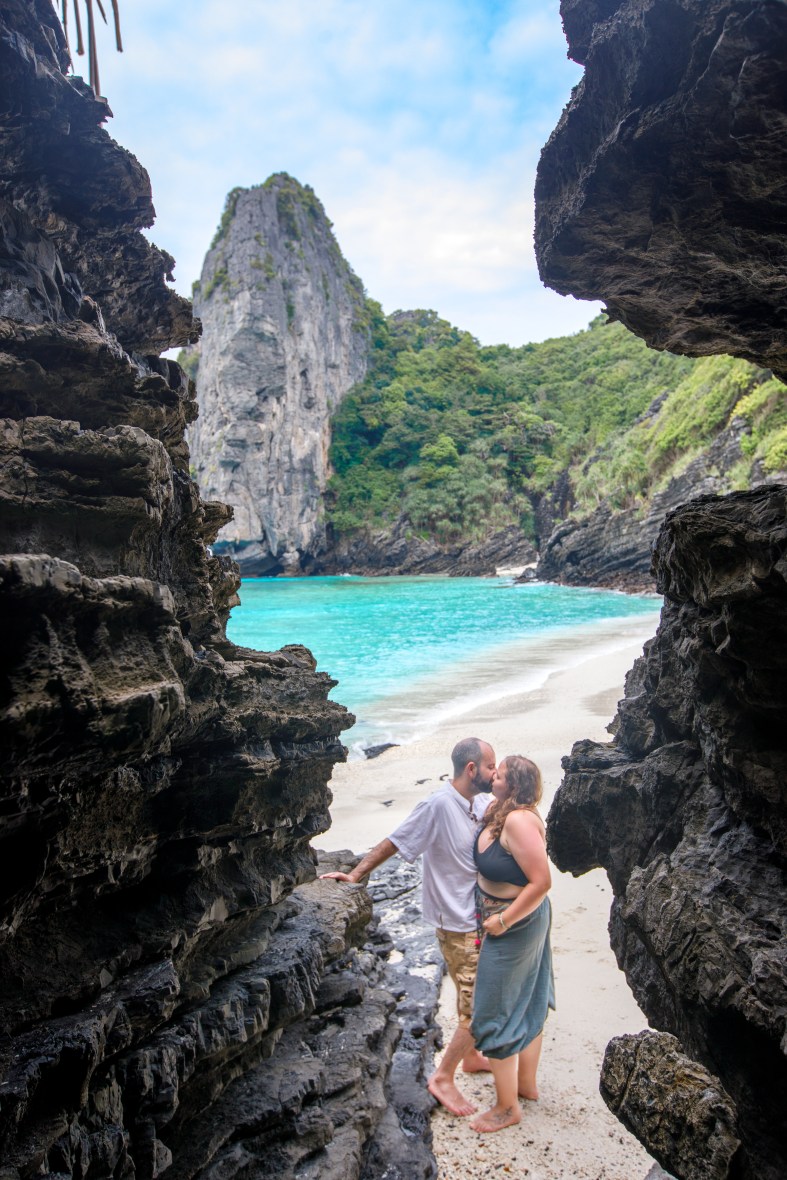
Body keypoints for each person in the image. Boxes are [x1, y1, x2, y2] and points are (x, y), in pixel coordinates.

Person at [321, 736, 496, 1116]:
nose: (493, 773)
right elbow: (396, 841)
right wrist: (357, 875)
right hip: (457, 922)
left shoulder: (479, 802)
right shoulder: (437, 805)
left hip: (477, 917)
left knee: (470, 993)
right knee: (478, 1004)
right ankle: (443, 1077)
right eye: (489, 767)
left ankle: (472, 1055)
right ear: (471, 769)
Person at [469, 755, 555, 1134]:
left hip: (516, 923)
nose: (492, 776)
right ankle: (524, 1086)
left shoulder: (519, 821)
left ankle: (507, 1108)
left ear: (514, 786)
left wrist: (503, 921)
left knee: (493, 1009)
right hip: (509, 919)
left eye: (499, 775)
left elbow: (542, 882)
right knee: (529, 994)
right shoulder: (500, 811)